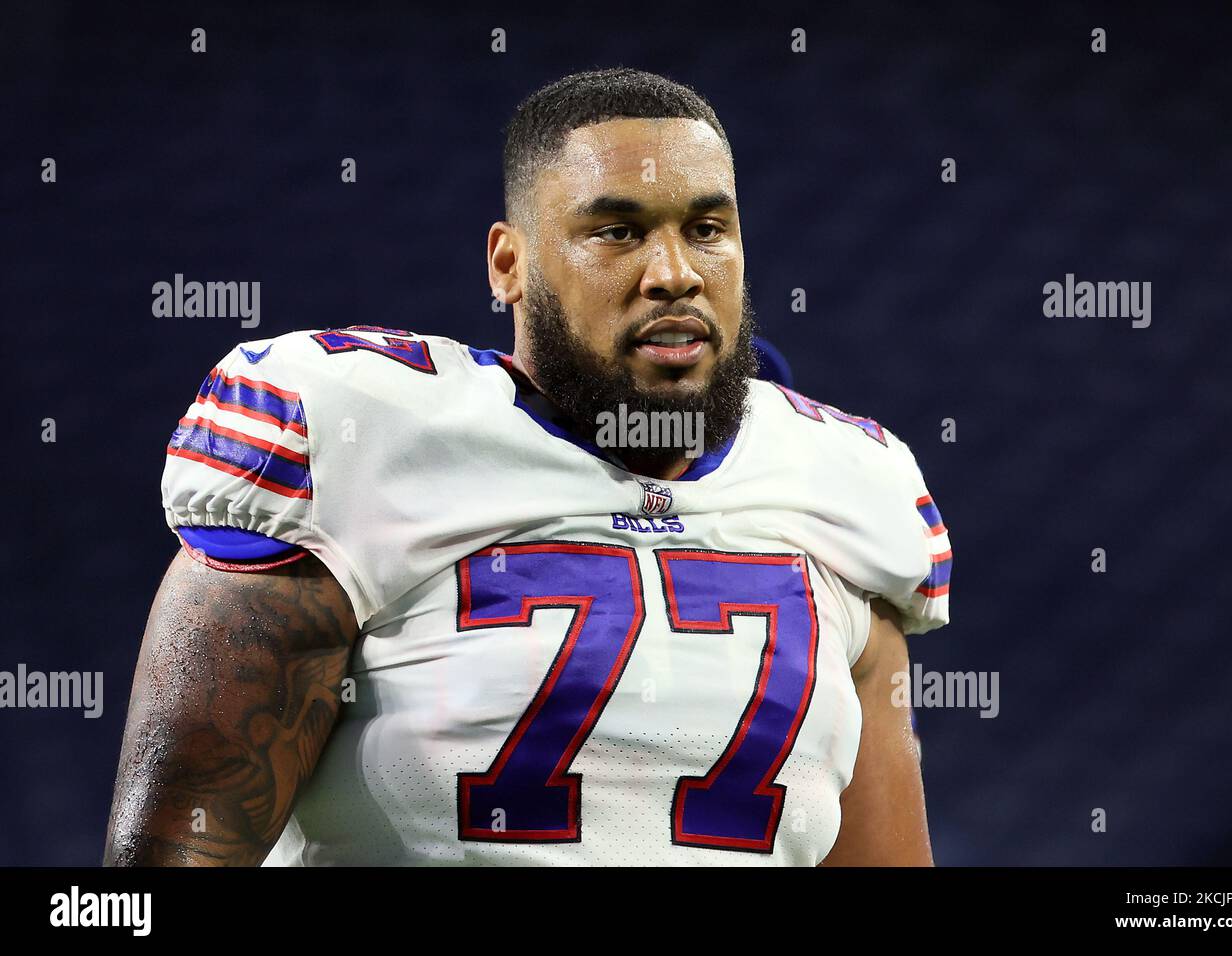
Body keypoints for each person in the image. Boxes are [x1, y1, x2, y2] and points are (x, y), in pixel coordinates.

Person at [104, 67, 952, 866]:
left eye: (707, 229)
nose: (674, 273)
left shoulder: (842, 487)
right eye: (616, 231)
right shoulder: (363, 440)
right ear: (509, 265)